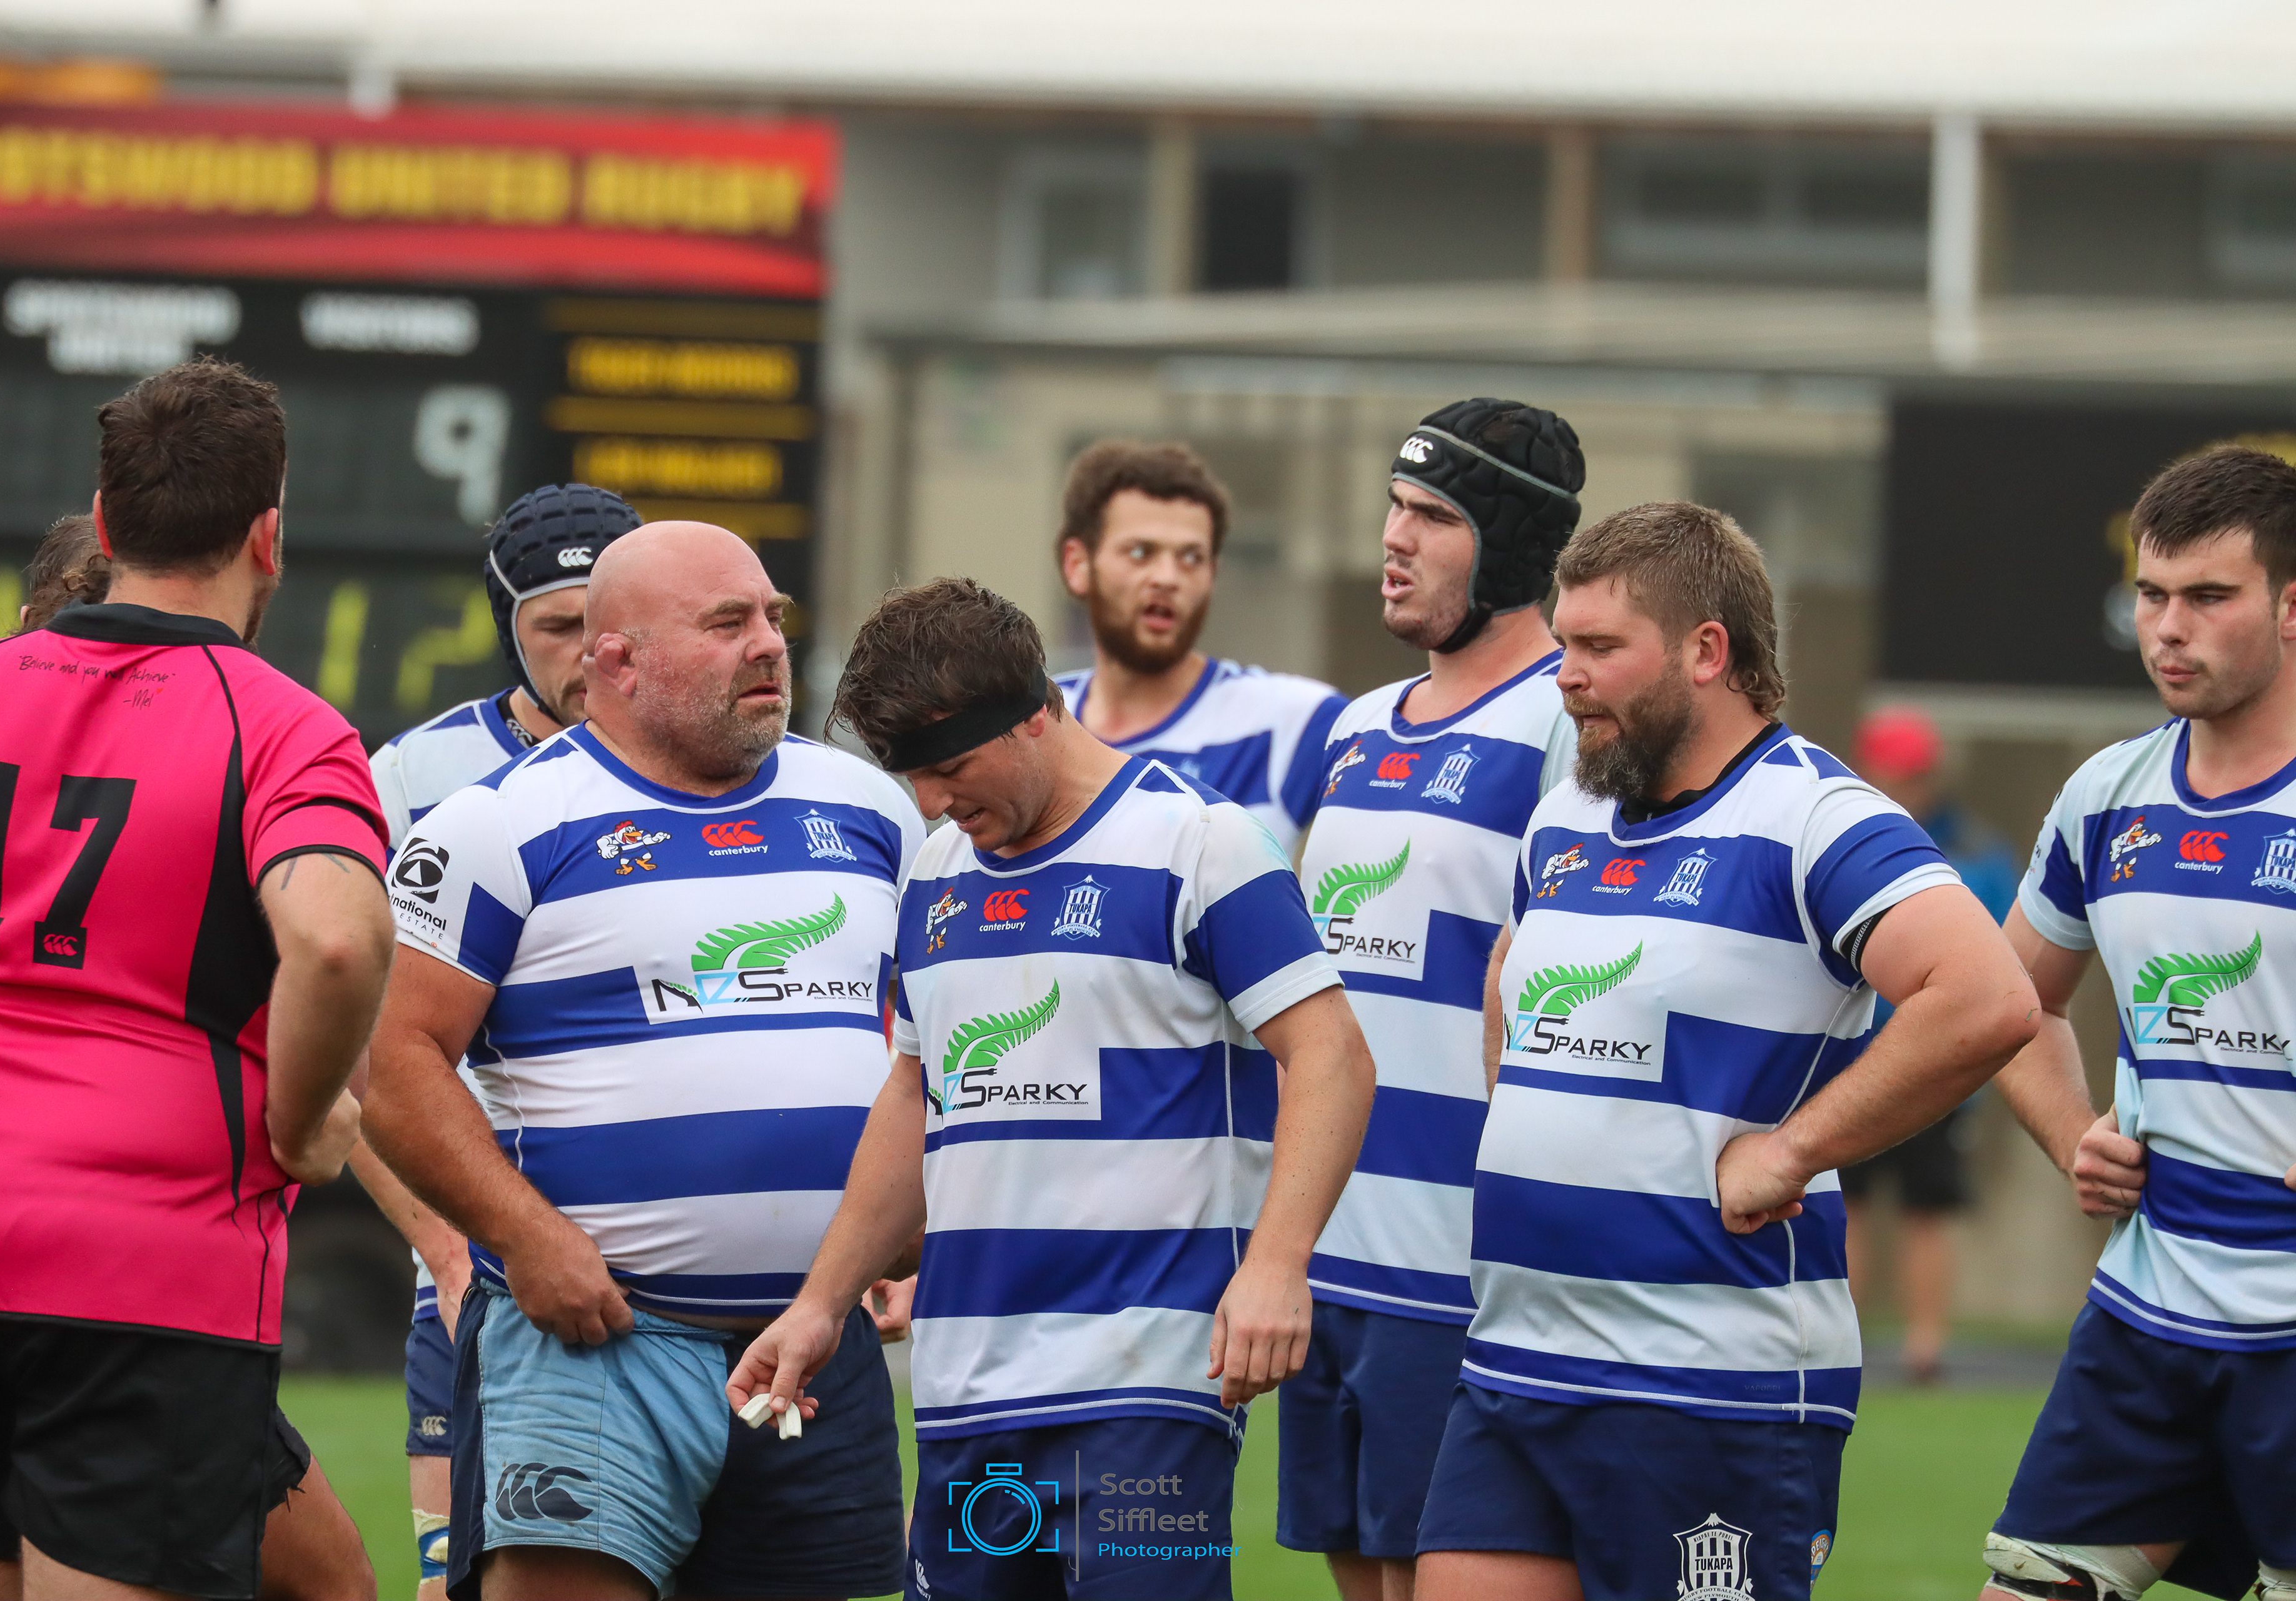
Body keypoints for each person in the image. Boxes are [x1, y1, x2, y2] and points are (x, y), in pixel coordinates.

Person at [1414, 501, 2038, 1601]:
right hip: (1515, 1362)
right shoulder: (1565, 819)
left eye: (1599, 646)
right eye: (1562, 642)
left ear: (1707, 651)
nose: (1566, 675)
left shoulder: (1816, 818)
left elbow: (1987, 997)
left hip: (1706, 1386)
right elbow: (1511, 966)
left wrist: (1795, 1150)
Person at [730, 575, 1378, 1601]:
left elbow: (1333, 1056)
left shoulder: (1200, 845)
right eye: (913, 778)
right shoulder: (936, 877)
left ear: (1036, 714)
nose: (932, 803)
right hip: (965, 1396)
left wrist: (1276, 1266)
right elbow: (916, 1098)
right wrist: (821, 1304)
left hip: (1147, 1388)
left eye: (950, 768)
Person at [0, 357, 395, 1600]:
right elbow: (337, 941)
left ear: (104, 522)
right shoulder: (285, 729)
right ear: (268, 536)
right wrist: (299, 1124)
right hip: (148, 1260)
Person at [363, 522, 919, 1601]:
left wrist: (893, 1234)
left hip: (818, 1344)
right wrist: (524, 1240)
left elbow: (922, 1047)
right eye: (727, 623)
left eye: (772, 618)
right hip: (593, 1346)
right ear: (617, 659)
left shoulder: (869, 808)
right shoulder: (500, 825)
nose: (769, 644)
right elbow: (390, 1057)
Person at [1978, 445, 2296, 1601]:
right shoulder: (2108, 797)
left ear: (2293, 605)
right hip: (2147, 1319)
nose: (2168, 628)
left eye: (2209, 597)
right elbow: (2007, 1006)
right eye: (2153, 595)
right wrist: (2075, 1133)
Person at [1280, 399, 1585, 1601]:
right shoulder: (1354, 729)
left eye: (1434, 516)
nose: (1395, 539)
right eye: (1394, 508)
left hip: (1456, 1269)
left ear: (1510, 546)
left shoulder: (1566, 725)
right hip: (1325, 1257)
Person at [358, 482, 642, 1600]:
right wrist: (446, 1248)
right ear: (505, 630)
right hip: (482, 1274)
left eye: (607, 624)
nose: (588, 654)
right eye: (556, 627)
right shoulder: (409, 781)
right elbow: (354, 1052)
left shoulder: (728, 767)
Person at [1054, 440, 1347, 857]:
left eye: (1191, 558)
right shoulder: (1035, 725)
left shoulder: (1291, 721)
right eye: (1141, 552)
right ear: (1078, 565)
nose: (1168, 577)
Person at [1839, 706, 2020, 1383]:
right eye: (1891, 772)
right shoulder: (1840, 841)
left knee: (1928, 1208)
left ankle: (1925, 1350)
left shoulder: (1975, 851)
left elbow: (2005, 957)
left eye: (1914, 774)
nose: (1903, 787)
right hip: (1853, 1056)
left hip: (1939, 1066)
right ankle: (1843, 1341)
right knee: (1844, 1205)